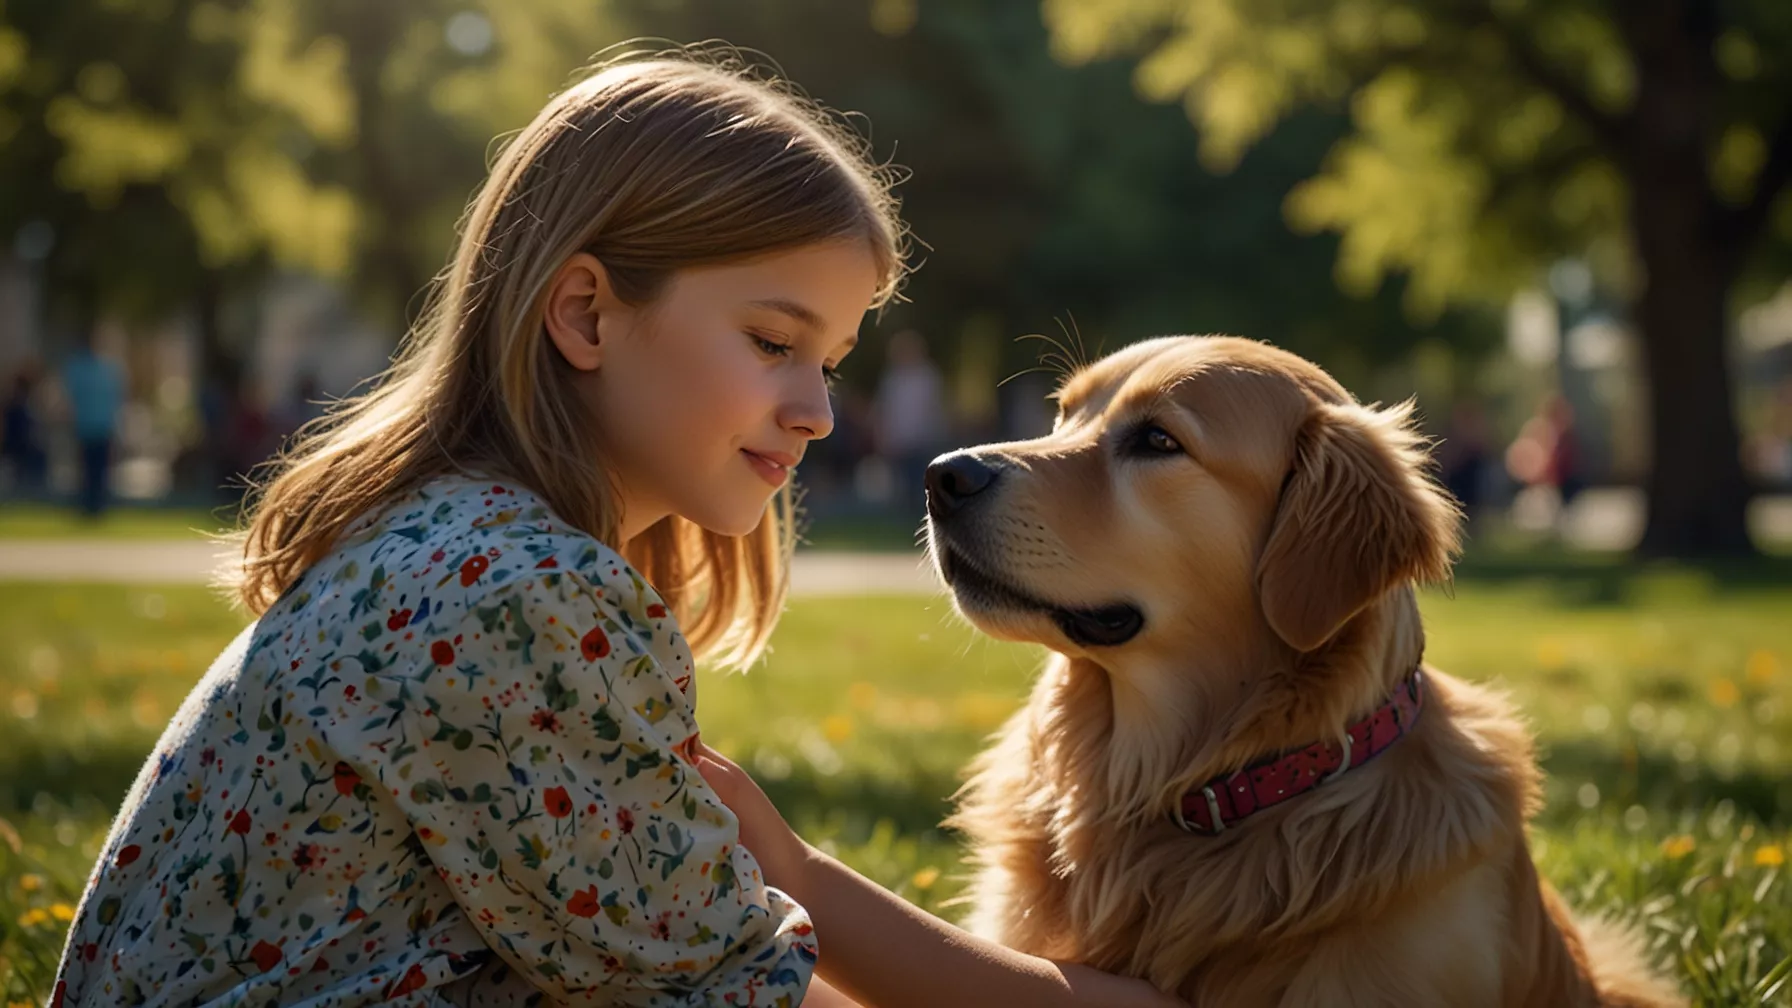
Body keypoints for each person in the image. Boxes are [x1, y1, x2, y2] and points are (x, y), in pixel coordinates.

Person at [51, 50, 1180, 1008]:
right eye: (772, 341)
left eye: (830, 361)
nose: (820, 410)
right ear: (587, 313)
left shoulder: (463, 541)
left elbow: (707, 957)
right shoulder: (513, 590)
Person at [873, 329, 948, 515]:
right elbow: (885, 409)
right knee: (902, 481)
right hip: (900, 439)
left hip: (922, 437)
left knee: (920, 479)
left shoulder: (928, 377)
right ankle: (903, 514)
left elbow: (935, 407)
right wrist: (885, 435)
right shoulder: (892, 379)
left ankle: (922, 513)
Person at [59, 332, 125, 517]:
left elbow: (70, 398)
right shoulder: (108, 369)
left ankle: (91, 505)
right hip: (100, 426)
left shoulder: (79, 368)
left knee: (89, 469)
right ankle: (96, 505)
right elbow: (116, 399)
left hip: (87, 425)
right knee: (98, 470)